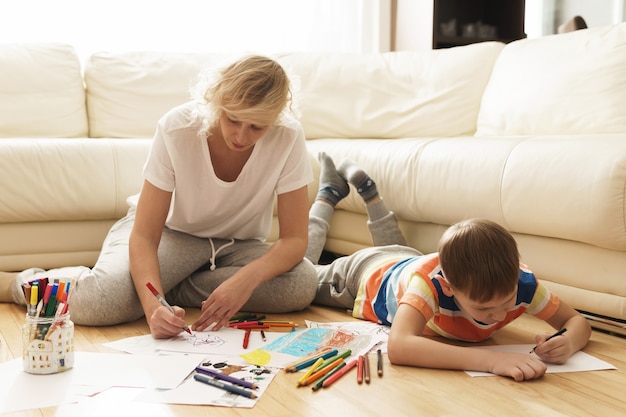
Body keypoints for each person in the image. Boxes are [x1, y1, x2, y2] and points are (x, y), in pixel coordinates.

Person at [1, 55, 318, 338]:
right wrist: (153, 309)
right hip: (168, 235)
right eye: (233, 119)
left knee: (301, 284)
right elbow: (144, 236)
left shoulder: (288, 136)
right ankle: (17, 284)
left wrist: (244, 281)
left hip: (236, 247)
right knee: (102, 303)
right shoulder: (177, 127)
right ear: (217, 102)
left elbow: (293, 240)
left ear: (275, 119)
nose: (241, 135)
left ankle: (159, 284)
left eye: (256, 127)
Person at [307, 152, 592, 382]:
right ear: (448, 287)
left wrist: (569, 341)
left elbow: (577, 322)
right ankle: (328, 194)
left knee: (399, 252)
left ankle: (370, 193)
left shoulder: (522, 283)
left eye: (507, 302)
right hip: (361, 276)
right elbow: (400, 346)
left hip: (405, 259)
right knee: (300, 274)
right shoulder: (428, 285)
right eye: (483, 309)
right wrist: (491, 360)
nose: (498, 315)